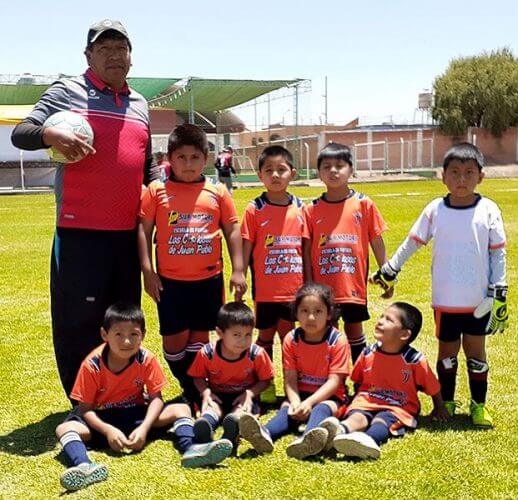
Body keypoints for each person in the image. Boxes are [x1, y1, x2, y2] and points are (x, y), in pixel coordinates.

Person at [10, 19, 160, 399]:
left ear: (131, 57)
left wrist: (162, 186)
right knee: (79, 322)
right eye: (105, 48)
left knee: (124, 319)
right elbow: (21, 133)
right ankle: (83, 402)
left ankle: (122, 392)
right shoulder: (67, 92)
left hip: (126, 235)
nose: (114, 55)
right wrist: (49, 133)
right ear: (88, 55)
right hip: (80, 233)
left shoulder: (140, 103)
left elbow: (146, 165)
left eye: (120, 48)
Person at [370, 143, 508, 428]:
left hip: (477, 300)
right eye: (454, 172)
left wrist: (499, 290)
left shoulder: (488, 209)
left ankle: (478, 406)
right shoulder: (435, 209)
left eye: (469, 173)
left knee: (476, 355)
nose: (461, 179)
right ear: (442, 176)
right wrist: (391, 268)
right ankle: (446, 402)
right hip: (445, 300)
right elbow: (413, 243)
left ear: (481, 176)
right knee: (447, 356)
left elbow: (498, 252)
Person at [55, 303, 233, 491]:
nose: (126, 342)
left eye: (134, 335)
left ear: (143, 335)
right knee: (65, 428)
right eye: (119, 335)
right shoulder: (93, 365)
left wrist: (144, 427)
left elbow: (156, 398)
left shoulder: (145, 358)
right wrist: (108, 431)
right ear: (104, 335)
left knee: (181, 408)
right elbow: (85, 409)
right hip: (101, 419)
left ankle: (191, 448)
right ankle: (84, 465)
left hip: (136, 415)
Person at [138, 124, 247, 404]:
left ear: (206, 159)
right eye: (181, 157)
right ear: (169, 159)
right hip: (170, 282)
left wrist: (237, 270)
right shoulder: (156, 190)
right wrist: (147, 271)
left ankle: (196, 394)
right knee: (174, 342)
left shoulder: (218, 192)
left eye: (195, 157)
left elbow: (233, 230)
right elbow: (143, 230)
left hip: (208, 281)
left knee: (199, 340)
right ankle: (192, 388)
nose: (188, 164)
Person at [319, 302, 449, 460]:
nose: (380, 321)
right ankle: (338, 432)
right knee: (357, 416)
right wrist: (356, 399)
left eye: (389, 320)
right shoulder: (368, 353)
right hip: (366, 400)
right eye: (382, 316)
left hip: (398, 406)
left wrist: (439, 407)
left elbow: (433, 387)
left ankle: (367, 440)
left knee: (382, 420)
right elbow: (358, 380)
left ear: (404, 335)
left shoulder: (414, 360)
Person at [239, 283, 351, 459]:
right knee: (286, 410)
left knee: (320, 409)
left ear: (329, 314)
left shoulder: (338, 340)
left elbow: (334, 381)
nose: (311, 317)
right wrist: (296, 402)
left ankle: (308, 439)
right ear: (296, 313)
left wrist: (310, 403)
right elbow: (289, 378)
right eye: (304, 311)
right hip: (300, 394)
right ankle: (263, 434)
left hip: (330, 397)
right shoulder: (291, 338)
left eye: (318, 311)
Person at [303, 142, 388, 363]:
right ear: (319, 173)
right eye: (327, 166)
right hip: (323, 288)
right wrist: (310, 284)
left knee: (354, 332)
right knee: (325, 335)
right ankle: (330, 384)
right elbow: (306, 249)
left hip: (352, 286)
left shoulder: (363, 204)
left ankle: (362, 382)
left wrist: (387, 272)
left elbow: (376, 239)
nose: (333, 170)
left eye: (339, 165)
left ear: (351, 170)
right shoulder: (311, 209)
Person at [241, 145, 305, 404]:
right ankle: (264, 384)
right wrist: (239, 274)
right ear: (260, 175)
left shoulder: (302, 208)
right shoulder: (254, 208)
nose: (276, 175)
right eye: (269, 171)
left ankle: (293, 388)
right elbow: (246, 244)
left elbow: (307, 248)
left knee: (289, 340)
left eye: (281, 170)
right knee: (264, 338)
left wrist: (309, 284)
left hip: (294, 291)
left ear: (293, 173)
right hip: (266, 291)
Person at [187, 302, 274, 452]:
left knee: (240, 412)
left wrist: (250, 393)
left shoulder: (256, 354)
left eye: (248, 335)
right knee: (212, 408)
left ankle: (232, 433)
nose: (243, 340)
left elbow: (266, 380)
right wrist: (206, 392)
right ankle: (205, 427)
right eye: (236, 335)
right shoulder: (207, 353)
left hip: (244, 396)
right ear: (220, 333)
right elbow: (198, 377)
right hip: (217, 394)